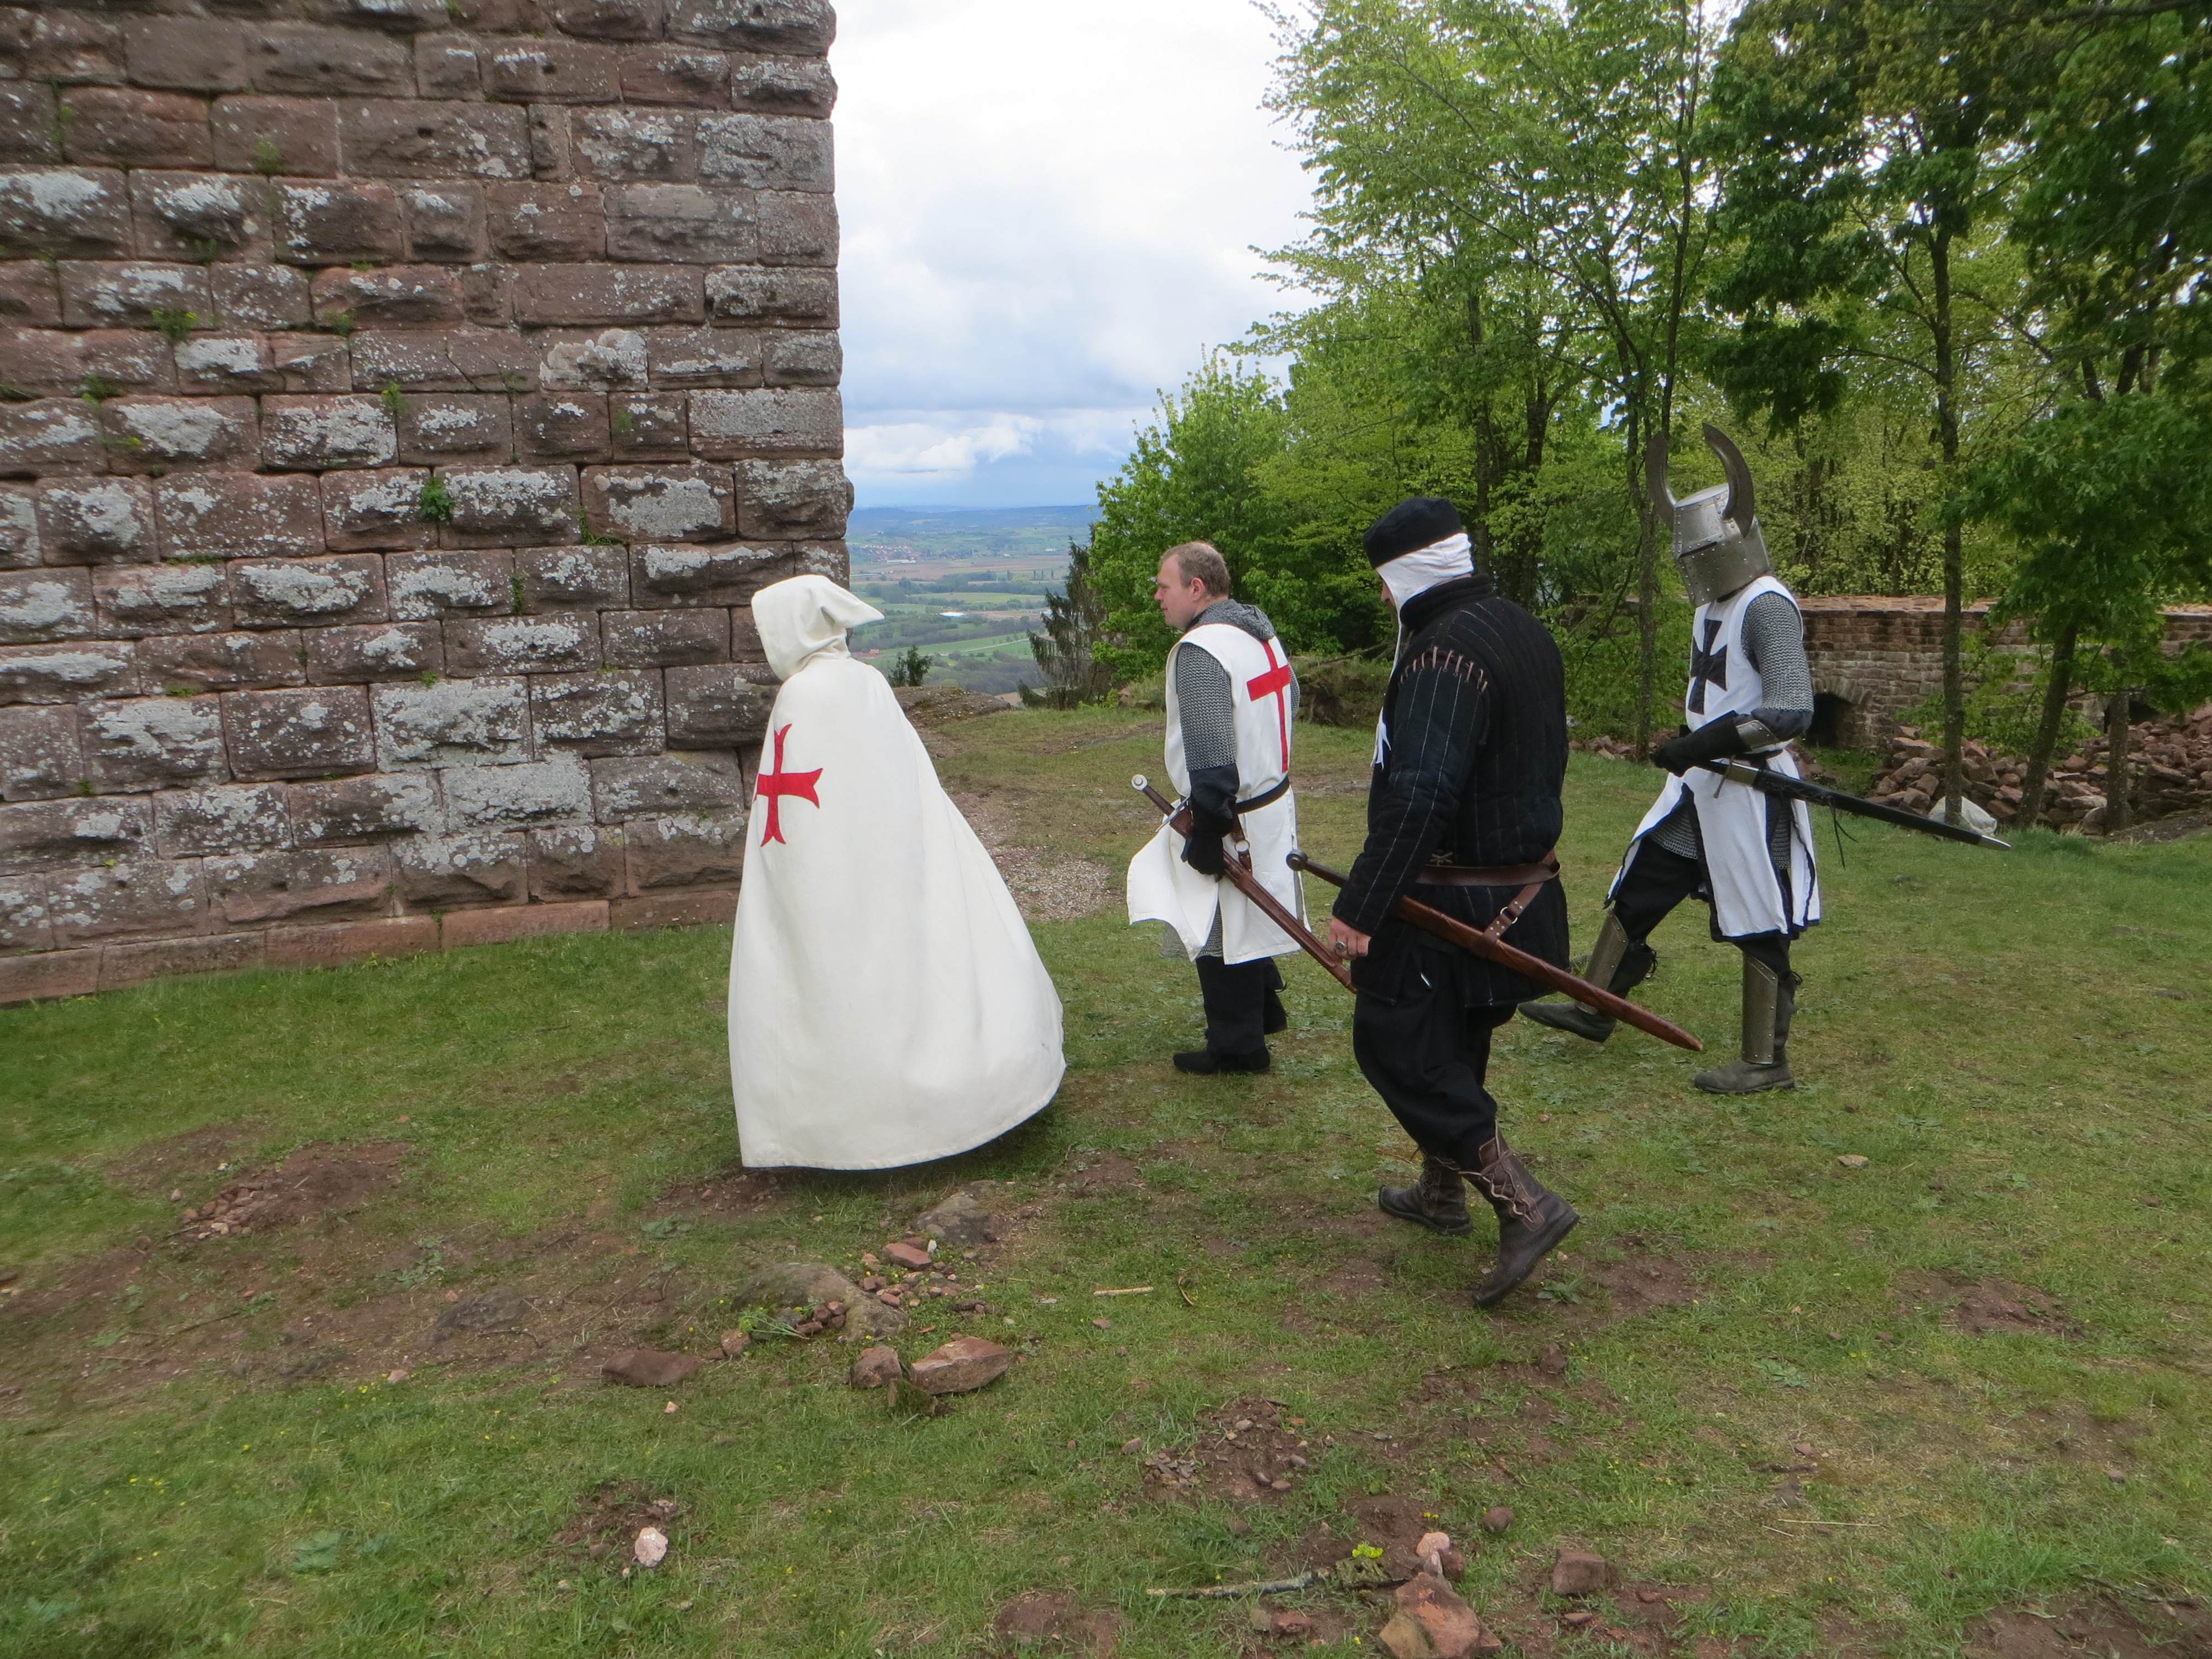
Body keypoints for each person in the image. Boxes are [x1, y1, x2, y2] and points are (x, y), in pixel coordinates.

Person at [1326, 498, 1579, 1308]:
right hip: (1517, 892)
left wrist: (1363, 905)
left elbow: (1422, 793)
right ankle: (1440, 1194)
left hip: (1451, 901)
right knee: (1452, 1039)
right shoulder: (1519, 627)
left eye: (1384, 582)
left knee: (1397, 1043)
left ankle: (1525, 1205)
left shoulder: (1443, 653)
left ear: (1405, 577)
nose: (1382, 597)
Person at [1519, 425, 1820, 1093]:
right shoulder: (1713, 606)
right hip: (1699, 785)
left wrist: (1701, 744)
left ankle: (1766, 1062)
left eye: (1703, 553)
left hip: (1749, 785)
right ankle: (1595, 1004)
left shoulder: (1767, 605)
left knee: (1757, 915)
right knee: (1644, 877)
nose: (1696, 567)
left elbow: (1791, 711)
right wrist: (1692, 749)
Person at [728, 573, 1065, 1168]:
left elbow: (792, 796)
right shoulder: (868, 681)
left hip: (831, 863)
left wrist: (791, 871)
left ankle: (865, 1120)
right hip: (889, 851)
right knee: (914, 962)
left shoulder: (803, 695)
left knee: (846, 977)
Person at [1125, 541, 1303, 1074]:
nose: (1158, 597)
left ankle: (1237, 1046)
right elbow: (1289, 700)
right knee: (1250, 913)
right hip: (1268, 802)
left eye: (1164, 586)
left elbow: (1211, 753)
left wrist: (1207, 827)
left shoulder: (1203, 650)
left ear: (1196, 588)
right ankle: (1262, 1013)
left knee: (1217, 924)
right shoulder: (1259, 633)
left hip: (1231, 811)